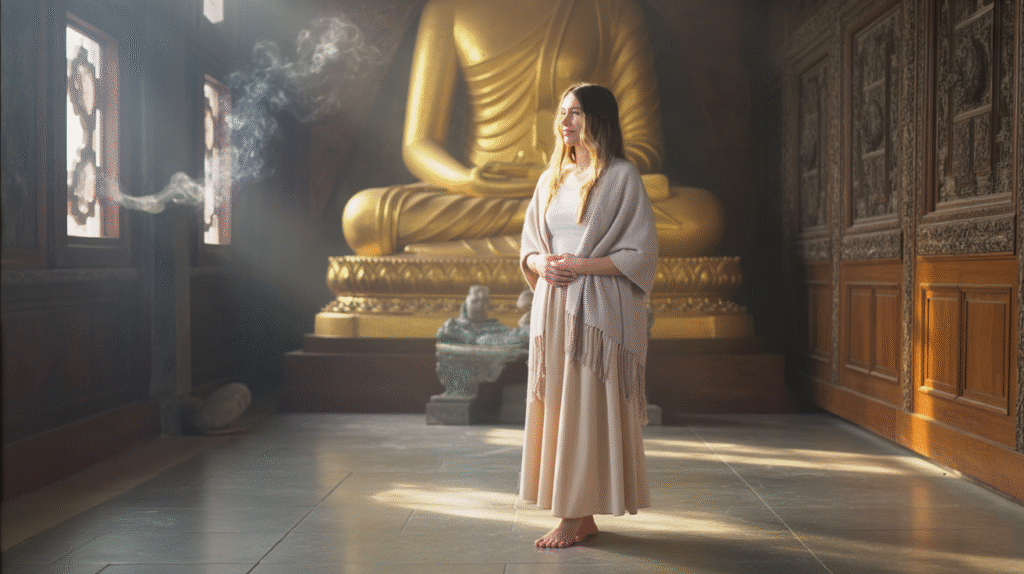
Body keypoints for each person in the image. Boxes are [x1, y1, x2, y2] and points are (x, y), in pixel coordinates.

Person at [341, 0, 721, 258]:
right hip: (483, 196)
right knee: (364, 217)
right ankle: (556, 248)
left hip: (582, 191)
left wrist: (573, 174)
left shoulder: (610, 9)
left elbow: (643, 146)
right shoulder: (449, 8)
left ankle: (467, 252)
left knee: (699, 217)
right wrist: (469, 181)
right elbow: (419, 143)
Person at [519, 83, 657, 548]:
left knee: (587, 410)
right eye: (562, 113)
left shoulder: (622, 177)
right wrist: (541, 264)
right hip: (554, 308)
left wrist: (580, 265)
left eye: (576, 113)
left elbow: (640, 252)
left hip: (596, 312)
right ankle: (585, 514)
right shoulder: (549, 179)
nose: (566, 122)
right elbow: (531, 248)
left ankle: (573, 514)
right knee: (560, 407)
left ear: (599, 119)